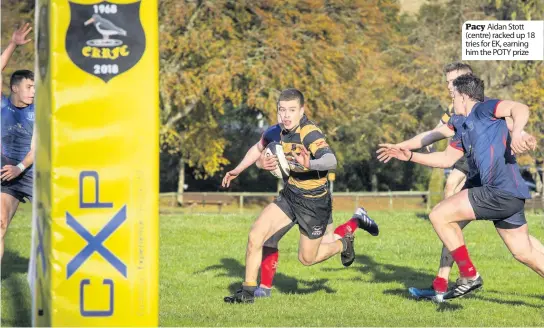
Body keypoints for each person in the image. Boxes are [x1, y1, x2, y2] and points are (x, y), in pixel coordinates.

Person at [378, 62, 539, 300]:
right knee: (524, 252)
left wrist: (519, 134)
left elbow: (520, 108)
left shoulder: (486, 108)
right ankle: (447, 281)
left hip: (498, 191)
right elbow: (445, 158)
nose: (449, 96)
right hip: (511, 195)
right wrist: (410, 155)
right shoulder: (461, 125)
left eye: (452, 92)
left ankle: (468, 275)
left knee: (439, 214)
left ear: (463, 96)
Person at [224, 88, 378, 304]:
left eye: (291, 110)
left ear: (301, 111)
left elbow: (330, 160)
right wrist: (239, 169)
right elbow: (258, 148)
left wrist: (309, 163)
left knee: (307, 258)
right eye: (282, 110)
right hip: (290, 195)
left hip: (314, 202)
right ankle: (248, 293)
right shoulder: (274, 132)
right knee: (256, 235)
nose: (286, 115)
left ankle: (344, 243)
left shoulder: (310, 133)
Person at [1, 23, 35, 261]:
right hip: (7, 173)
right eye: (29, 87)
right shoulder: (3, 105)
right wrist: (13, 43)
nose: (33, 91)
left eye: (35, 87)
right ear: (14, 88)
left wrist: (20, 168)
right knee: (0, 224)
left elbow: (38, 149)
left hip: (34, 171)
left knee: (59, 224)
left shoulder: (40, 110)